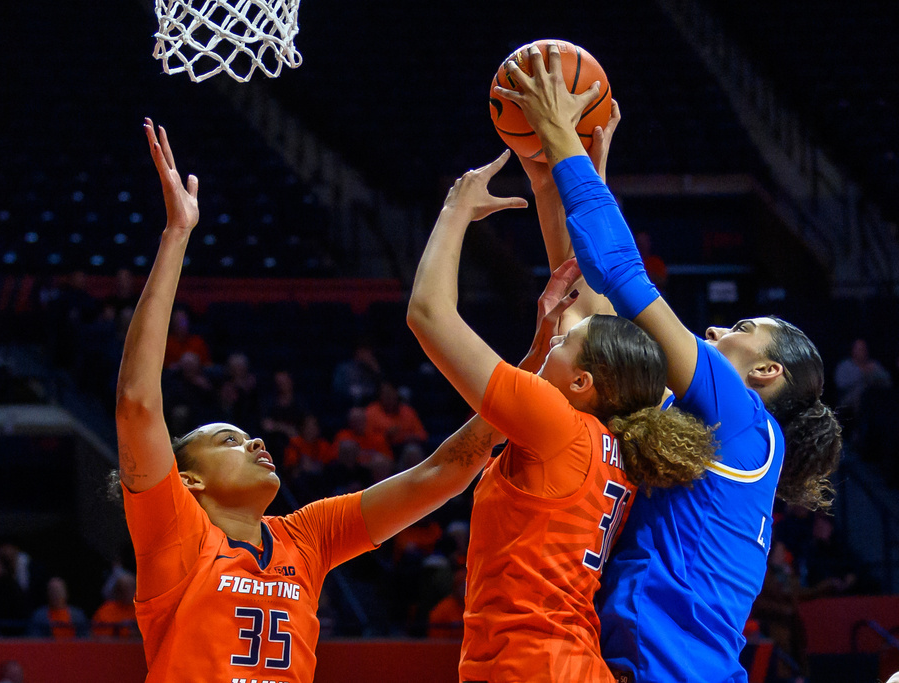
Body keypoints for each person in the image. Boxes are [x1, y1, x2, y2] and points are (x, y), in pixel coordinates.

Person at [494, 43, 843, 682]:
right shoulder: (701, 430)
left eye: (741, 329)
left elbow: (624, 276)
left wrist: (559, 134)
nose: (715, 328)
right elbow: (586, 315)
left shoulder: (742, 420)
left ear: (767, 373)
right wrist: (552, 178)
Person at [113, 118, 509, 682]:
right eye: (228, 440)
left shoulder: (306, 536)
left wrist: (525, 384)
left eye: (246, 434)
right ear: (189, 482)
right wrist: (177, 234)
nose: (254, 440)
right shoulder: (175, 532)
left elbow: (441, 472)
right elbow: (136, 403)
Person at [407, 155, 715, 681]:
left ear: (583, 383)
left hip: (531, 665)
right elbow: (586, 300)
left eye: (564, 341)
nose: (555, 334)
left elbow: (428, 313)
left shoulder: (555, 423)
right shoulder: (613, 442)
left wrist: (457, 207)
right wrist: (572, 166)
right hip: (562, 661)